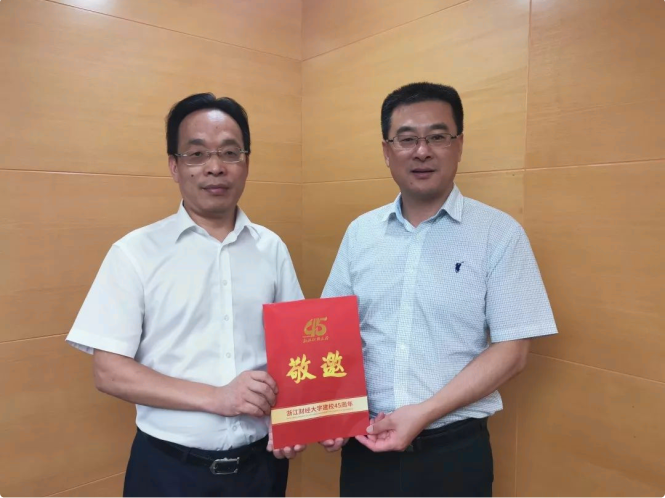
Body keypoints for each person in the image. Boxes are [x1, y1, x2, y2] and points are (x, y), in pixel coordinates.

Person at [319, 82, 558, 497]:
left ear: (459, 145)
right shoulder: (361, 233)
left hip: (455, 453)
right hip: (365, 446)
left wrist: (424, 413)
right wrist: (329, 411)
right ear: (387, 150)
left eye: (437, 137)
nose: (422, 151)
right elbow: (331, 332)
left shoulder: (499, 234)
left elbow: (513, 351)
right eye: (406, 139)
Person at [65, 93, 306, 498]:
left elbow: (298, 348)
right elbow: (108, 371)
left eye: (230, 152)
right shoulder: (134, 252)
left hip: (261, 469)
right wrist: (218, 397)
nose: (215, 167)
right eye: (197, 154)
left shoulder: (271, 248)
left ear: (246, 163)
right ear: (174, 166)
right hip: (168, 471)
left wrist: (296, 420)